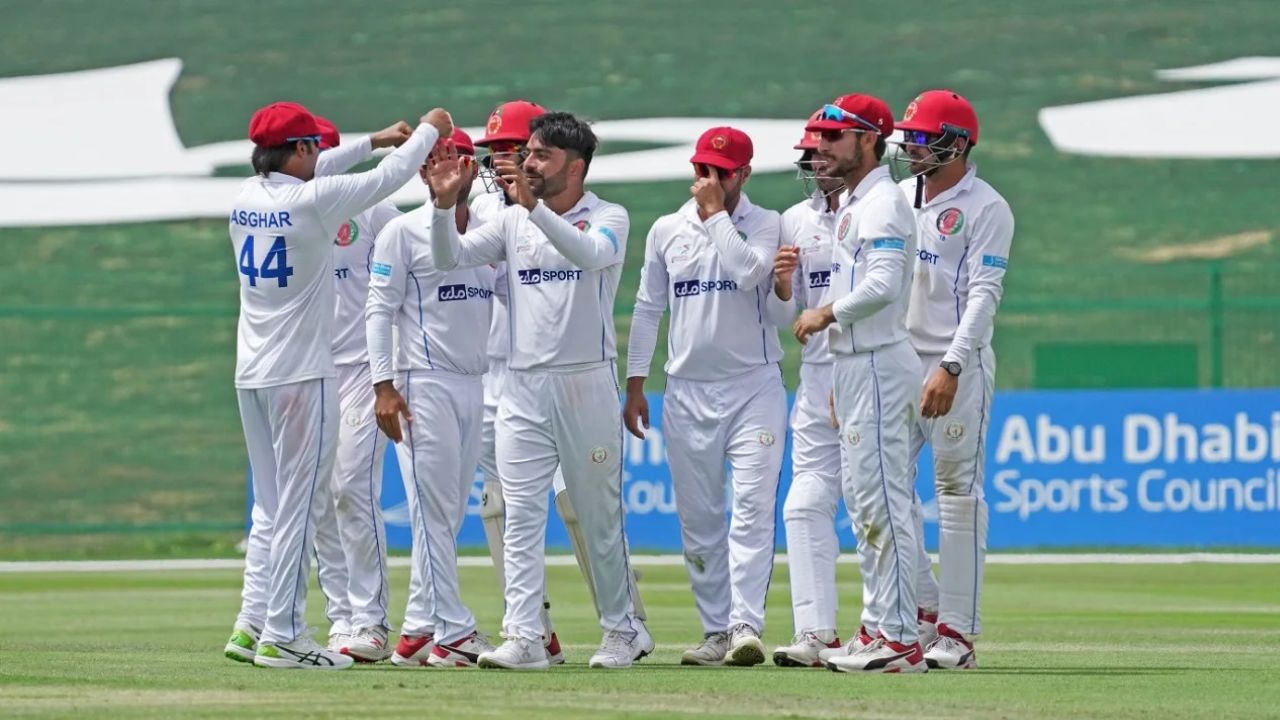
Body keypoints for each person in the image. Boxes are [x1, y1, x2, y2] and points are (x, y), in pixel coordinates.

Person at [225, 100, 451, 670]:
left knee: (276, 508)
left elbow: (331, 171)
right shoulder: (313, 203)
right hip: (303, 374)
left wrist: (372, 137)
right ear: (301, 151)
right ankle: (285, 635)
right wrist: (429, 130)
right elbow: (388, 179)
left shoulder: (245, 198)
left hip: (250, 374)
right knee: (302, 506)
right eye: (315, 149)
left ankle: (259, 625)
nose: (321, 158)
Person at [428, 111, 652, 670]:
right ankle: (525, 634)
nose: (527, 163)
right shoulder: (510, 222)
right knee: (521, 512)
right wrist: (441, 209)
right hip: (523, 387)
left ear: (574, 167)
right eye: (527, 153)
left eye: (541, 156)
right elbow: (447, 258)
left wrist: (533, 210)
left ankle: (624, 629)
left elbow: (591, 255)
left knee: (597, 515)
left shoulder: (609, 216)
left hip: (586, 382)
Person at [625, 127, 784, 667]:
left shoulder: (765, 223)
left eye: (720, 172)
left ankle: (745, 626)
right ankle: (716, 630)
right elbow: (649, 308)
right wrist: (635, 383)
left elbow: (748, 273)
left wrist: (716, 215)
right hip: (688, 390)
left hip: (754, 387)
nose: (708, 181)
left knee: (752, 513)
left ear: (743, 174)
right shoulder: (667, 229)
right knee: (699, 521)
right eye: (701, 170)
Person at [792, 94, 927, 674]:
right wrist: (838, 363)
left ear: (870, 140)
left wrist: (826, 316)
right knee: (865, 502)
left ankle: (899, 638)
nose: (821, 147)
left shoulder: (884, 203)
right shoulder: (856, 203)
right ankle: (877, 626)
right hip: (854, 365)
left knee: (883, 502)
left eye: (835, 136)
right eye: (819, 137)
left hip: (877, 360)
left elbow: (885, 285)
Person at [365, 128, 499, 668]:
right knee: (431, 512)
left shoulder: (492, 229)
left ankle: (420, 627)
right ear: (421, 172)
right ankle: (456, 630)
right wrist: (384, 385)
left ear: (472, 167)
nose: (448, 169)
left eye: (458, 159)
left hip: (475, 383)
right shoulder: (400, 233)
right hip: (423, 384)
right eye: (436, 161)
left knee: (442, 513)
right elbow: (378, 310)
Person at [894, 89, 1014, 670]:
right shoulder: (894, 198)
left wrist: (951, 365)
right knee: (878, 487)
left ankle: (957, 635)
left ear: (958, 144)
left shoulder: (987, 207)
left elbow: (982, 298)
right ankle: (924, 606)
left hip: (951, 365)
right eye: (910, 136)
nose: (912, 145)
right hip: (892, 361)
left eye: (923, 137)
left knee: (956, 496)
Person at [767, 112, 854, 667]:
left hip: (869, 370)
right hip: (816, 377)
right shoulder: (794, 220)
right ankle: (815, 634)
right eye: (810, 156)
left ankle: (923, 619)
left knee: (885, 508)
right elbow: (788, 316)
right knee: (801, 505)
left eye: (824, 153)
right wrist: (780, 287)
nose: (816, 164)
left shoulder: (881, 208)